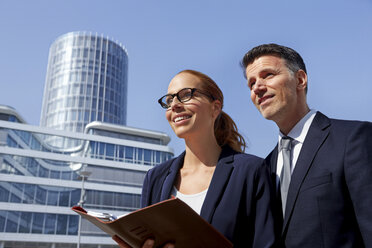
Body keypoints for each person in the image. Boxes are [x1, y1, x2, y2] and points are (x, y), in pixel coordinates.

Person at [115, 69, 277, 248]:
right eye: (169, 100)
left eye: (186, 95)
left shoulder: (251, 171)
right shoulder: (155, 178)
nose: (174, 105)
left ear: (215, 108)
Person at [241, 43, 372, 248]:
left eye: (267, 75)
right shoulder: (264, 168)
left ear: (300, 80)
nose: (257, 87)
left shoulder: (352, 139)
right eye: (251, 83)